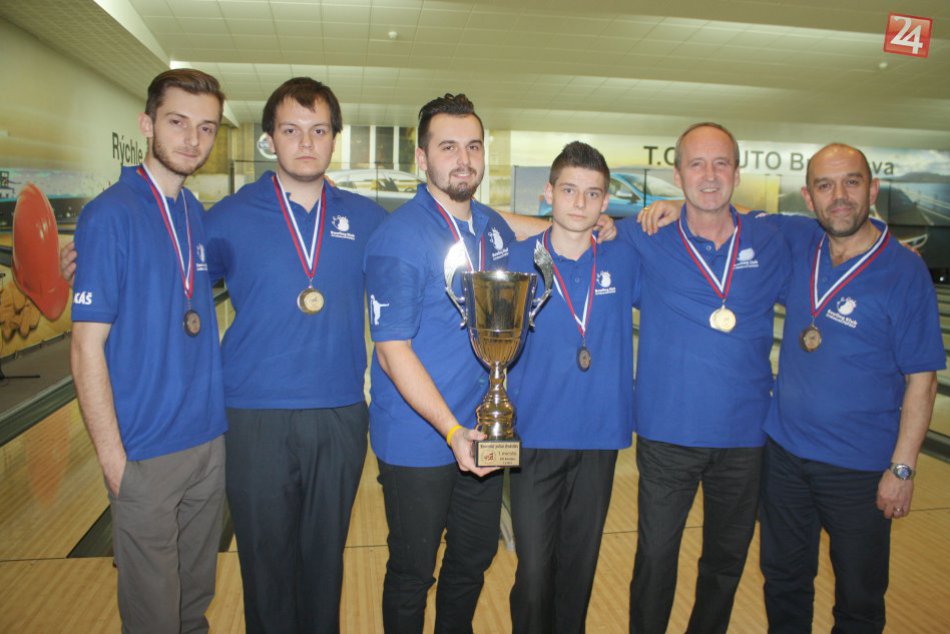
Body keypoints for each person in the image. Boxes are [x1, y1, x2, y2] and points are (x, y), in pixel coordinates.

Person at [364, 93, 561, 633]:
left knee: (474, 557)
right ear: (423, 159)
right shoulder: (400, 238)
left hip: (482, 426)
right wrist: (452, 430)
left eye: (473, 146)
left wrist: (588, 222)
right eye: (448, 146)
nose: (464, 159)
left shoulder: (489, 228)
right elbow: (391, 350)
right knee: (412, 569)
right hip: (420, 437)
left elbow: (527, 228)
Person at [203, 77, 389, 633]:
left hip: (338, 413)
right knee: (265, 563)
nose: (305, 143)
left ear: (335, 139)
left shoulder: (369, 219)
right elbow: (167, 272)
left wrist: (573, 225)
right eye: (291, 130)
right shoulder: (227, 217)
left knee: (323, 560)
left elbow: (454, 234)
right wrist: (82, 252)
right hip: (252, 415)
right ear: (269, 140)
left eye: (318, 131)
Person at [756, 144, 944, 633]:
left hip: (860, 469)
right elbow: (729, 217)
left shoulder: (903, 273)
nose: (839, 197)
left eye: (852, 182)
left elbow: (922, 379)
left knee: (859, 598)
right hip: (785, 456)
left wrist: (901, 469)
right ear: (808, 196)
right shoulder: (799, 239)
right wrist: (671, 206)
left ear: (873, 189)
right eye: (825, 185)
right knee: (783, 580)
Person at [70, 69, 228, 633]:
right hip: (144, 451)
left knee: (193, 604)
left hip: (208, 441)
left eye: (206, 128)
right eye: (178, 122)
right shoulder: (110, 214)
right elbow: (86, 346)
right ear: (147, 124)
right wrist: (115, 464)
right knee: (154, 615)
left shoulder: (195, 214)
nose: (192, 139)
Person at [617, 122, 790, 634]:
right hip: (667, 434)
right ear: (678, 175)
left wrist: (895, 251)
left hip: (745, 437)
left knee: (724, 562)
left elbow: (841, 230)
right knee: (656, 559)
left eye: (720, 164)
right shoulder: (646, 235)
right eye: (697, 164)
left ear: (737, 173)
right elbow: (579, 228)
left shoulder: (772, 237)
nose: (709, 176)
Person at [505, 141, 640, 633]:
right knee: (536, 570)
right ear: (548, 193)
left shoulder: (624, 262)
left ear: (606, 202)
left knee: (578, 571)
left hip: (599, 439)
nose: (580, 203)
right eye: (569, 190)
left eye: (592, 193)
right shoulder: (518, 262)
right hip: (533, 438)